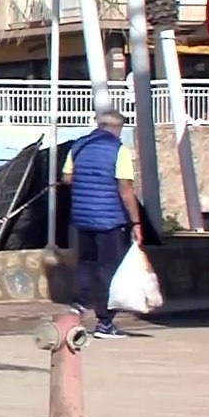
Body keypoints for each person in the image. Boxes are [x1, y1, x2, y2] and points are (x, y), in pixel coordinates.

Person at [61, 110, 143, 339]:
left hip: (82, 217)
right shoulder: (119, 151)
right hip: (110, 220)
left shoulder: (78, 146)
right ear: (118, 128)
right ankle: (105, 323)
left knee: (86, 264)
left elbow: (67, 178)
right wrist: (136, 222)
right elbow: (125, 189)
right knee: (110, 270)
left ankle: (77, 306)